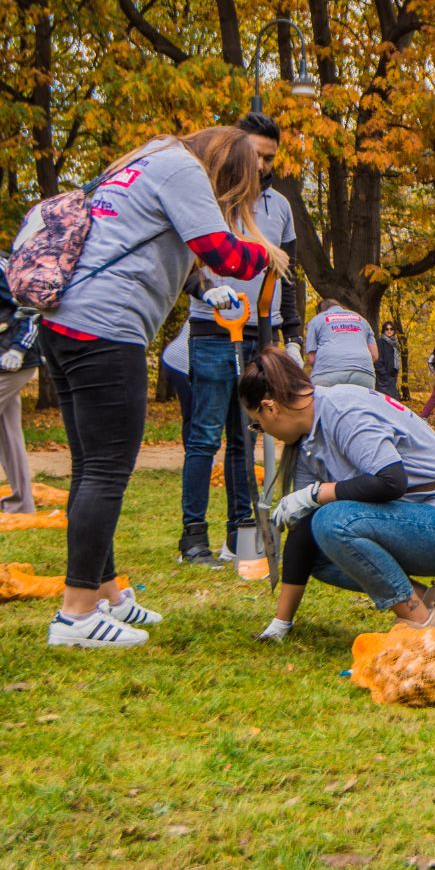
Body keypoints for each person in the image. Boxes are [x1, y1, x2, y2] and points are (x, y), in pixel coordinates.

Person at [41, 126, 286, 647]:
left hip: (66, 321)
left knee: (90, 468)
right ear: (228, 165)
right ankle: (76, 616)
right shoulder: (182, 170)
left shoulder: (147, 158)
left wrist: (208, 290)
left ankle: (105, 591)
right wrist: (267, 257)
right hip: (106, 328)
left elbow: (166, 251)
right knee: (107, 471)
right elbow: (223, 252)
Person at [239, 348, 435, 639]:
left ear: (270, 407)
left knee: (332, 521)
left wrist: (317, 493)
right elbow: (305, 531)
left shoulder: (343, 410)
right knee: (320, 550)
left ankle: (422, 627)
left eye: (257, 425)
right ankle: (425, 600)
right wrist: (280, 623)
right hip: (422, 521)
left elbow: (391, 481)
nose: (263, 432)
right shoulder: (307, 439)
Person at [178, 111, 303, 565]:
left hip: (259, 332)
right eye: (256, 155)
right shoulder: (207, 198)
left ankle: (239, 534)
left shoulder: (281, 208)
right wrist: (208, 293)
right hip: (213, 330)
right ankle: (193, 537)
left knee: (243, 437)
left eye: (270, 158)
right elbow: (186, 263)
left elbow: (287, 277)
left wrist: (291, 336)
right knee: (205, 434)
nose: (263, 165)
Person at [0, 257, 41, 514]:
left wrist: (18, 348)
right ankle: (21, 503)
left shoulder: (2, 268)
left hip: (14, 360)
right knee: (8, 434)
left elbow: (31, 307)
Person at [305, 299, 379, 388]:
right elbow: (374, 355)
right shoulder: (362, 320)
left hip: (327, 374)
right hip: (364, 375)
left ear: (321, 311)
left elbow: (312, 359)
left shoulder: (316, 320)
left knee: (322, 400)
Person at [160, 321, 192, 449]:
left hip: (174, 358)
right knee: (195, 413)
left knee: (192, 413)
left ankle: (194, 457)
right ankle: (195, 459)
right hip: (183, 362)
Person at [374, 320, 401, 397]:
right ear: (384, 330)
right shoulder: (380, 342)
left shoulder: (395, 344)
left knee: (391, 401)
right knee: (389, 400)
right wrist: (384, 374)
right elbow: (377, 360)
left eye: (391, 329)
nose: (389, 331)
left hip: (392, 376)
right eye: (387, 329)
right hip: (383, 378)